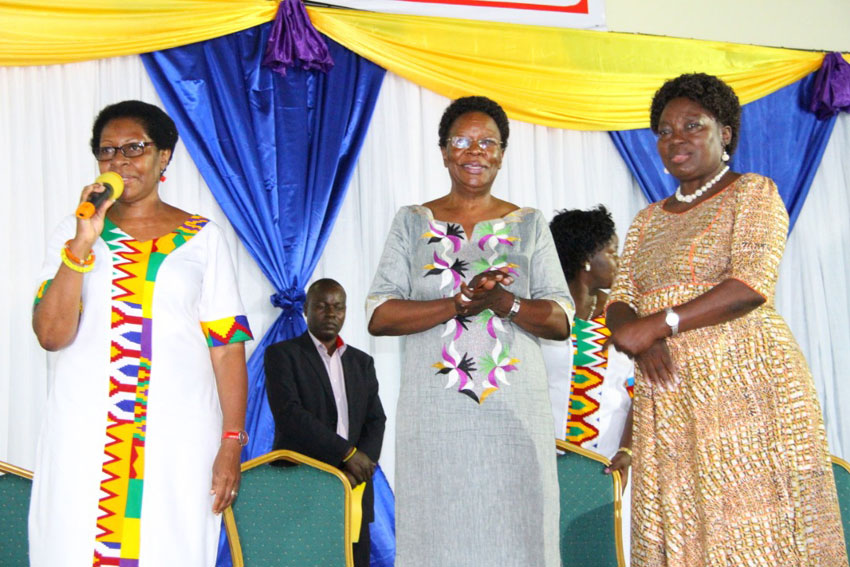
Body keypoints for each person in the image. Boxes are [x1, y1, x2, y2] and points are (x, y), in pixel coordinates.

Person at [606, 73, 847, 566]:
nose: (677, 139)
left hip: (746, 385)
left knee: (758, 527)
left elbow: (750, 284)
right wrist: (642, 337)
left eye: (693, 125)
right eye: (666, 130)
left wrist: (659, 324)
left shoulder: (753, 193)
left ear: (726, 132)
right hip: (669, 392)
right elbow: (621, 297)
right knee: (688, 526)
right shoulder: (647, 220)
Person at [30, 100, 252, 566]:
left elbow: (227, 350)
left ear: (164, 156)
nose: (119, 161)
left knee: (169, 545)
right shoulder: (70, 235)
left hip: (178, 436)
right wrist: (82, 244)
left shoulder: (202, 239)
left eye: (134, 148)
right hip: (85, 434)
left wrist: (231, 441)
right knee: (72, 543)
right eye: (107, 152)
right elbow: (51, 335)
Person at [367, 95, 573, 567]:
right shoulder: (412, 222)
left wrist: (506, 302)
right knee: (436, 537)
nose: (474, 151)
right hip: (435, 419)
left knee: (521, 533)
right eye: (461, 141)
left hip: (515, 416)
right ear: (443, 151)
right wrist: (456, 303)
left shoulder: (530, 225)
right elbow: (380, 314)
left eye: (488, 142)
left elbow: (561, 319)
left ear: (502, 153)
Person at [264, 278, 386, 567]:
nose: (331, 313)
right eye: (321, 305)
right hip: (301, 487)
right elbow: (290, 415)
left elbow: (375, 419)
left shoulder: (362, 362)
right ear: (306, 309)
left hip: (353, 487)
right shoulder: (282, 355)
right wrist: (347, 455)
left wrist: (361, 465)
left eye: (338, 307)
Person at [548, 206, 634, 479]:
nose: (618, 261)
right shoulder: (543, 315)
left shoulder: (625, 315)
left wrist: (628, 450)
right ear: (586, 257)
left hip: (607, 465)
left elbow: (642, 393)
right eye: (611, 252)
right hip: (544, 463)